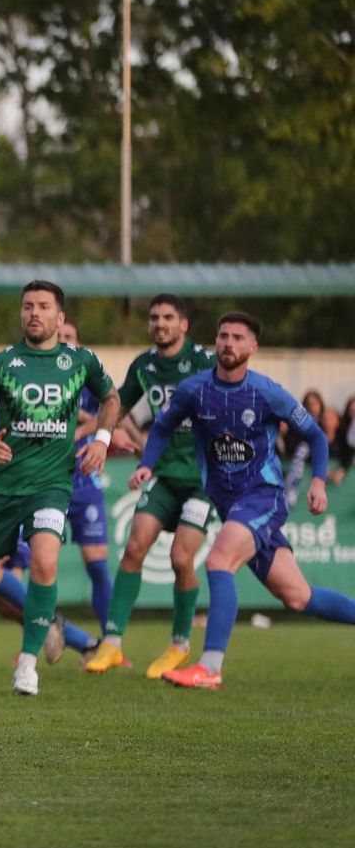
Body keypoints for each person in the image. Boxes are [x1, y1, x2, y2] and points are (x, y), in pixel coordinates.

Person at [133, 312, 355, 689]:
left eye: (238, 338)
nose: (228, 343)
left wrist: (318, 481)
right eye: (223, 336)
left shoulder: (267, 392)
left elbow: (316, 436)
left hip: (263, 496)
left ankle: (211, 667)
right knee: (298, 597)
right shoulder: (194, 389)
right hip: (229, 504)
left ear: (252, 347)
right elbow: (164, 426)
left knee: (219, 560)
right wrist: (146, 465)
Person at [0, 281, 119, 697]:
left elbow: (111, 399)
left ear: (59, 317)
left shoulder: (81, 361)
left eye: (44, 307)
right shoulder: (4, 363)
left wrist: (102, 440)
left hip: (50, 485)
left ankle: (27, 667)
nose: (34, 313)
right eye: (28, 306)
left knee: (45, 565)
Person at [88, 294, 218, 676]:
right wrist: (106, 437)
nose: (159, 323)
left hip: (201, 481)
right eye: (154, 317)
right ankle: (111, 643)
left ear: (184, 324)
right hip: (161, 475)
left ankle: (179, 645)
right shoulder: (144, 365)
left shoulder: (203, 361)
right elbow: (116, 405)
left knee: (181, 559)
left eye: (167, 317)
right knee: (134, 548)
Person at [57, 319, 114, 639]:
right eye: (60, 336)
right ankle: (32, 645)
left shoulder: (91, 380)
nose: (65, 341)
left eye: (70, 337)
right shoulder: (36, 376)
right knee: (38, 566)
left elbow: (111, 412)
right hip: (47, 481)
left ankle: (110, 642)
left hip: (85, 484)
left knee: (97, 566)